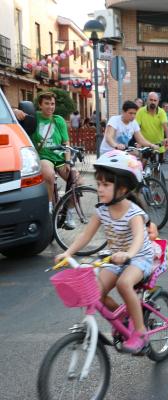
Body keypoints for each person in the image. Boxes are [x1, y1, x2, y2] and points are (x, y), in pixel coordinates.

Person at [54, 150, 154, 353]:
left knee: (124, 283)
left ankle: (141, 332)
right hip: (114, 259)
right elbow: (85, 236)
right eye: (99, 184)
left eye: (106, 185)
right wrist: (68, 253)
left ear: (123, 188)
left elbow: (137, 240)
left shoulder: (134, 213)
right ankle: (125, 317)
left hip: (140, 258)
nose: (100, 189)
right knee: (95, 293)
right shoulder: (101, 210)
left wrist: (128, 255)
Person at [12, 92, 82, 223]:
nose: (50, 107)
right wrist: (15, 110)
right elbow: (11, 114)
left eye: (53, 104)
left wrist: (67, 160)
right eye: (47, 103)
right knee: (49, 174)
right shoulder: (34, 117)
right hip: (45, 157)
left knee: (77, 180)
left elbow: (66, 143)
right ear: (40, 105)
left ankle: (69, 213)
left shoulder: (59, 120)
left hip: (60, 158)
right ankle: (49, 207)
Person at [135, 92, 168, 162]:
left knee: (157, 168)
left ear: (158, 102)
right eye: (151, 100)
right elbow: (136, 128)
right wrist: (138, 141)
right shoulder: (140, 111)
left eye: (155, 100)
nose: (153, 102)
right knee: (142, 165)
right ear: (147, 100)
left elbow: (165, 127)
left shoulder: (162, 112)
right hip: (145, 144)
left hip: (158, 145)